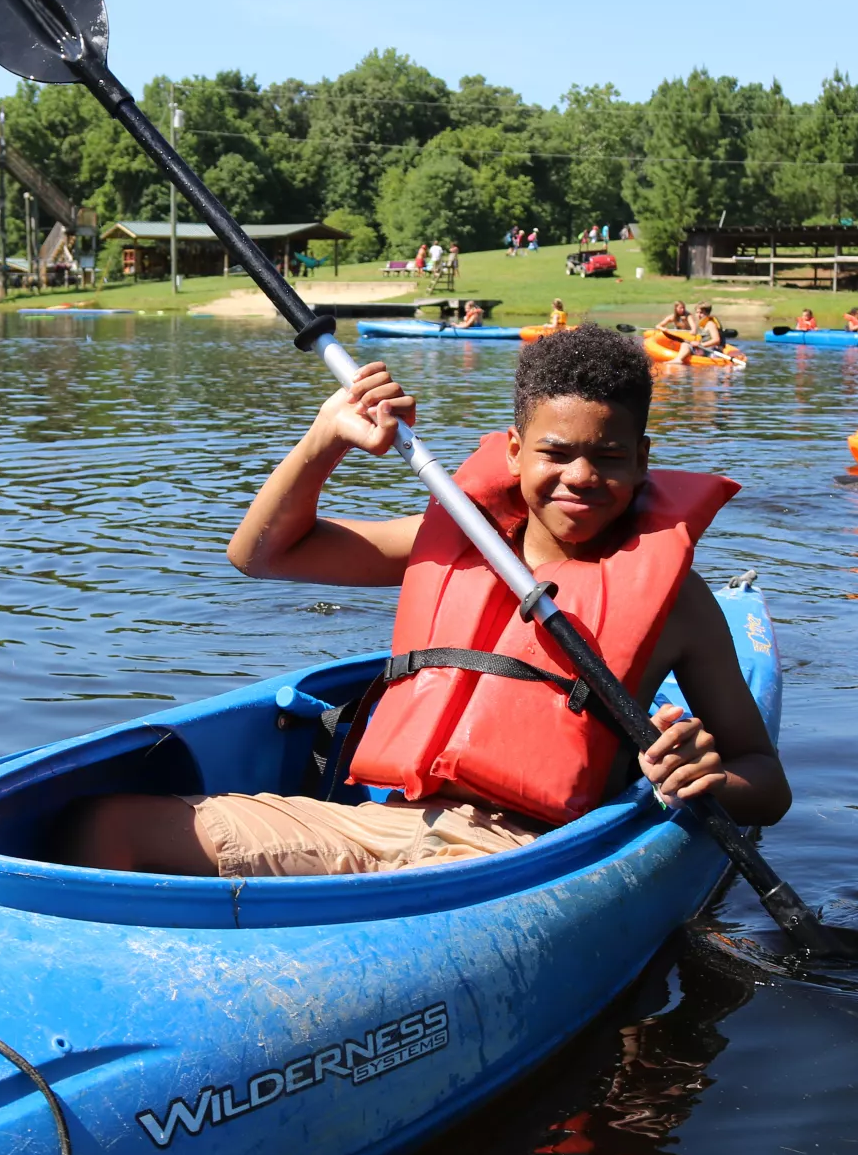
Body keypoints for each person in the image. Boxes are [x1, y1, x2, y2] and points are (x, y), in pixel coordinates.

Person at [60, 327, 790, 877]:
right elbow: (260, 554)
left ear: (643, 461)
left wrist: (708, 776)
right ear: (513, 450)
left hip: (515, 863)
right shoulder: (449, 543)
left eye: (608, 458)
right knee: (105, 828)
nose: (579, 477)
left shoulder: (678, 602)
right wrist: (325, 439)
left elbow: (766, 781)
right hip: (375, 830)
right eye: (556, 452)